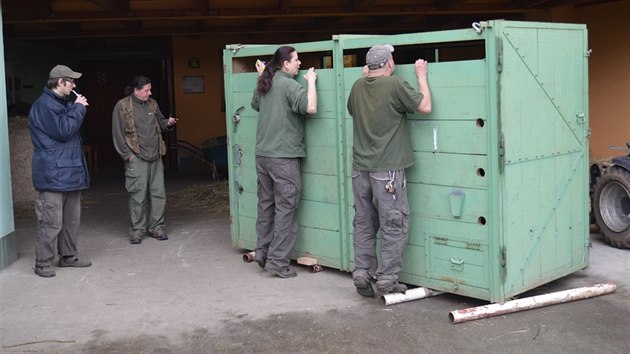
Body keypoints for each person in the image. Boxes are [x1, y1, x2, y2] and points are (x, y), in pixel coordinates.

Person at [347, 44, 432, 297]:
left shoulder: (357, 86)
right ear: (389, 63)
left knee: (364, 223)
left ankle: (362, 272)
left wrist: (366, 80)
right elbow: (425, 107)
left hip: (360, 169)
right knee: (394, 223)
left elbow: (353, 110)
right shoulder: (395, 84)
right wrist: (422, 78)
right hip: (388, 171)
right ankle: (387, 278)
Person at [250, 46, 318, 278]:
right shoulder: (290, 85)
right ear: (286, 64)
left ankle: (263, 253)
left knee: (266, 206)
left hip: (262, 156)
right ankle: (278, 263)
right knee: (286, 210)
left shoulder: (264, 82)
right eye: (297, 60)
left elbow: (255, 105)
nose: (300, 63)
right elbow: (310, 107)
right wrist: (311, 81)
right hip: (283, 158)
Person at [29, 64, 92, 277]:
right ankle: (43, 263)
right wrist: (79, 108)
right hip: (53, 173)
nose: (74, 85)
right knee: (50, 221)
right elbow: (64, 131)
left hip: (69, 172)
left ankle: (68, 256)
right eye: (71, 81)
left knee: (71, 220)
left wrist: (74, 107)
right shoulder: (45, 105)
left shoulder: (60, 103)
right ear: (60, 82)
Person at [112, 76, 178, 245]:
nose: (150, 92)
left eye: (150, 89)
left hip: (156, 157)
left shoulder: (152, 104)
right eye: (147, 90)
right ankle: (137, 231)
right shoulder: (122, 106)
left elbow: (161, 122)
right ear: (136, 90)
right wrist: (128, 156)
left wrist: (168, 123)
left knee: (158, 194)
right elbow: (118, 135)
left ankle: (157, 228)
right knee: (137, 196)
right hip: (137, 158)